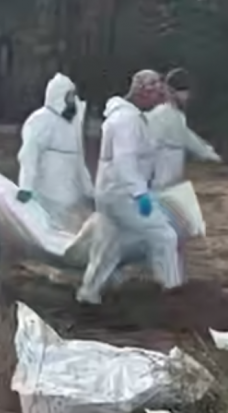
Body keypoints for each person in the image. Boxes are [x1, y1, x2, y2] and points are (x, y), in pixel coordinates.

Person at [77, 70, 183, 305]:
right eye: (157, 94)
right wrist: (140, 193)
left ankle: (88, 294)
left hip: (110, 192)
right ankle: (173, 295)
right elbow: (124, 161)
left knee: (109, 248)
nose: (159, 101)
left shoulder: (125, 117)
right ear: (143, 91)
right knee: (164, 237)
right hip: (124, 194)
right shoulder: (127, 121)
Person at [16, 73, 93, 233]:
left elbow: (79, 160)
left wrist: (88, 190)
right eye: (69, 95)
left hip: (71, 196)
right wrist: (26, 185)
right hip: (47, 194)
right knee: (48, 233)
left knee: (68, 235)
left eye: (73, 95)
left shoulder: (73, 124)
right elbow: (29, 155)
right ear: (59, 96)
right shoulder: (40, 120)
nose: (73, 99)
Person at [148, 68, 221, 190]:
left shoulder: (177, 116)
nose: (186, 96)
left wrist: (209, 152)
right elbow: (187, 139)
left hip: (171, 183)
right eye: (181, 91)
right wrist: (208, 153)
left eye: (186, 91)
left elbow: (187, 136)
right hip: (158, 184)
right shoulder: (160, 115)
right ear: (169, 91)